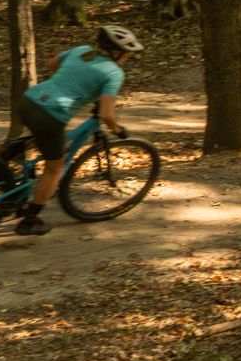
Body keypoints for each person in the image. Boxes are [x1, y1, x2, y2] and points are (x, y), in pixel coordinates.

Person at [10, 24, 142, 236]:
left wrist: (72, 81)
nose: (127, 58)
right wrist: (117, 130)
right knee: (55, 168)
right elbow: (107, 115)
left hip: (29, 100)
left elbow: (52, 64)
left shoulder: (82, 50)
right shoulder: (114, 73)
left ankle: (5, 156)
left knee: (43, 138)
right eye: (127, 54)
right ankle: (29, 220)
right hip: (51, 115)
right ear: (117, 52)